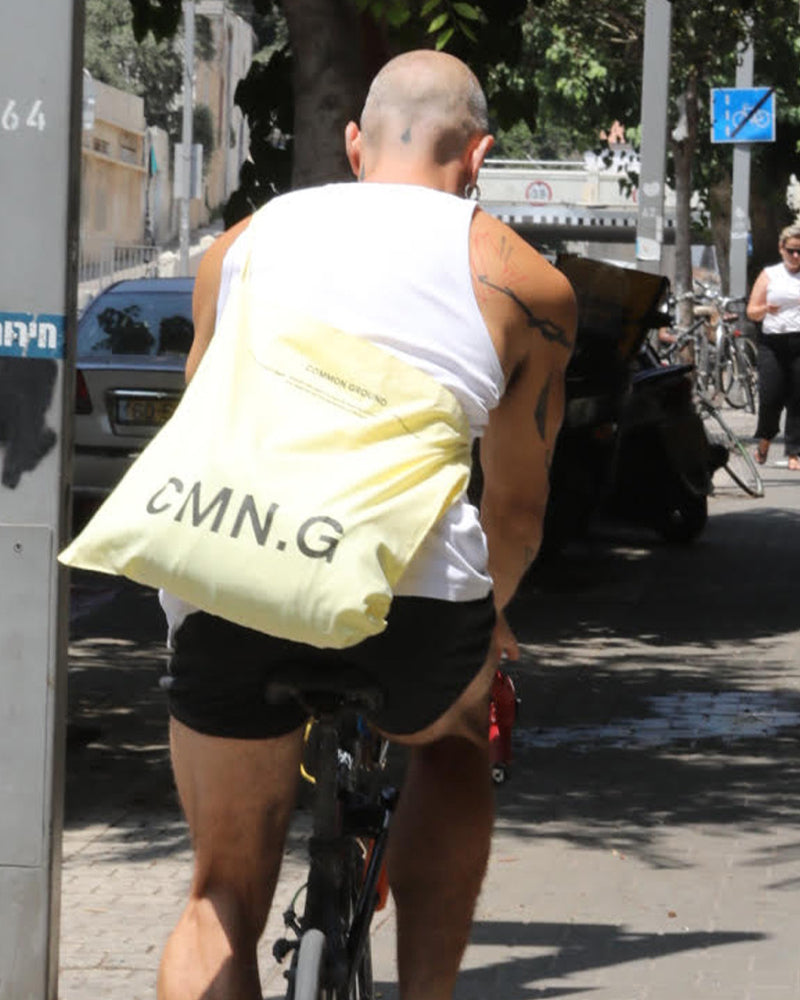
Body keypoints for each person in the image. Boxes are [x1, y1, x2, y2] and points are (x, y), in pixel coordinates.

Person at [156, 49, 576, 1000]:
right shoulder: (523, 281)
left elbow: (198, 429)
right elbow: (513, 506)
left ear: (354, 143)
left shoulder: (241, 245)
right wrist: (493, 614)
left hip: (232, 572)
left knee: (217, 893)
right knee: (459, 739)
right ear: (479, 157)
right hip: (413, 602)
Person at [746, 223, 800, 470]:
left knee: (798, 399)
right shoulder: (770, 275)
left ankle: (794, 452)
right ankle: (766, 439)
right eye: (791, 250)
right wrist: (766, 309)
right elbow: (752, 312)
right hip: (773, 343)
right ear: (781, 249)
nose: (796, 256)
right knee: (770, 397)